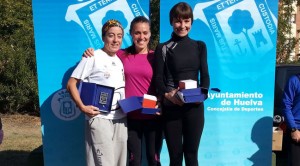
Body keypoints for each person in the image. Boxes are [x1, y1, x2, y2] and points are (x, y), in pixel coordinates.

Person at [83, 16, 163, 166]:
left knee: (153, 160)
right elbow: (103, 54)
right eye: (137, 33)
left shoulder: (156, 56)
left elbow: (163, 82)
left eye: (145, 33)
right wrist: (89, 52)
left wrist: (161, 101)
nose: (141, 37)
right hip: (130, 118)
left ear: (150, 34)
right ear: (131, 34)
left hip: (153, 117)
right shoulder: (121, 55)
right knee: (134, 161)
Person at [153, 2, 210, 166]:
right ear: (171, 22)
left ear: (191, 22)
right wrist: (167, 95)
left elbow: (205, 76)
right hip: (172, 108)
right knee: (176, 157)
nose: (182, 26)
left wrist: (203, 95)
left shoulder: (200, 46)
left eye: (186, 21)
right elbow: (158, 79)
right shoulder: (163, 47)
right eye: (178, 21)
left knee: (192, 156)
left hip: (195, 109)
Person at [67, 19, 127, 166]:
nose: (115, 40)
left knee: (120, 162)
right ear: (103, 37)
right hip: (100, 118)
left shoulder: (119, 60)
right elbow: (71, 84)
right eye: (111, 35)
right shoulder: (92, 57)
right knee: (104, 163)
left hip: (120, 118)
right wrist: (82, 107)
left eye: (119, 36)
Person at [282, 73, 300, 166]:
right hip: (297, 130)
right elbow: (286, 106)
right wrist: (294, 129)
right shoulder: (294, 80)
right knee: (295, 163)